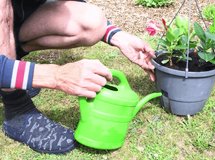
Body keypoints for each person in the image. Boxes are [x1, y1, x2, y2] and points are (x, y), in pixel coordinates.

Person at [0, 0, 155, 154]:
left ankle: (9, 63)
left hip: (13, 20)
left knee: (92, 21)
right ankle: (17, 111)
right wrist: (56, 75)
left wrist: (117, 36)